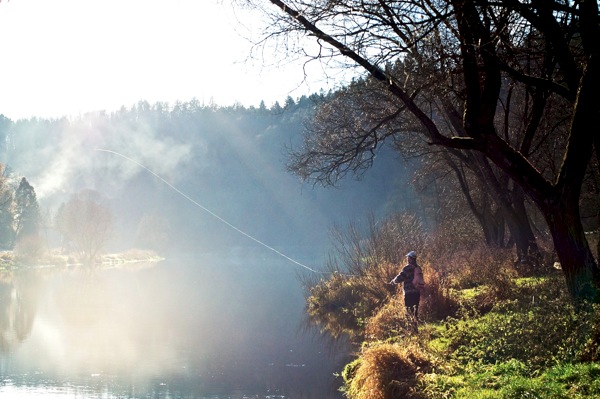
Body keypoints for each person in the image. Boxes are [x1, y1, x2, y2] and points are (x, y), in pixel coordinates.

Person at [390, 251, 424, 320]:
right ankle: (415, 328)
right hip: (417, 292)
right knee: (415, 311)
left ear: (411, 259)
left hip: (409, 293)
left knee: (409, 311)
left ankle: (411, 328)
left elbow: (400, 277)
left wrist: (393, 281)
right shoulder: (418, 268)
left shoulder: (407, 268)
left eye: (408, 258)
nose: (407, 259)